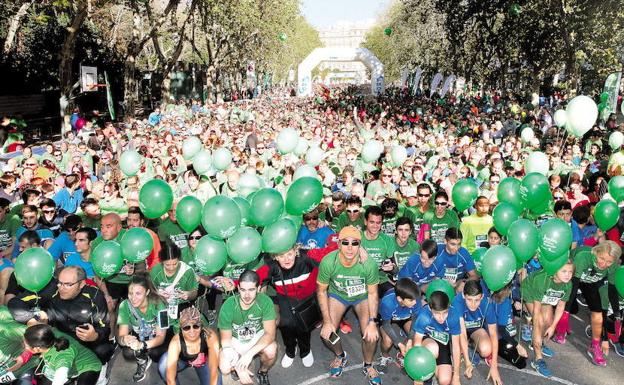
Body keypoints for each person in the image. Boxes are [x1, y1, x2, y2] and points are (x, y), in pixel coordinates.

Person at [316, 226, 382, 385]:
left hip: (362, 297)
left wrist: (373, 322)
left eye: (355, 243)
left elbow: (373, 294)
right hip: (338, 296)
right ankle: (340, 355)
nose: (350, 248)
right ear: (338, 244)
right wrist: (326, 321)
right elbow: (321, 292)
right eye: (345, 243)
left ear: (361, 245)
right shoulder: (328, 262)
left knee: (371, 335)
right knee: (327, 334)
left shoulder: (369, 264)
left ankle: (368, 364)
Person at [554, 241, 621, 366]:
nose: (604, 264)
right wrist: (565, 313)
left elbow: (611, 292)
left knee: (598, 313)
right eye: (601, 258)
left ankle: (594, 346)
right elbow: (574, 285)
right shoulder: (584, 256)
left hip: (590, 282)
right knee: (567, 306)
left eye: (609, 262)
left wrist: (617, 315)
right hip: (572, 278)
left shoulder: (612, 266)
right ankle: (559, 325)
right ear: (596, 252)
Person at [218, 269, 277, 385]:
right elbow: (226, 341)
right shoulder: (228, 306)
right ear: (238, 288)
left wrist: (249, 355)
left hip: (257, 336)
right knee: (224, 367)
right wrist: (238, 367)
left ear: (259, 289)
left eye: (251, 290)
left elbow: (270, 334)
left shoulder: (265, 302)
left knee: (271, 350)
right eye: (243, 290)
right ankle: (236, 368)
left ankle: (263, 372)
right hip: (236, 340)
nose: (247, 295)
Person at [521, 259, 574, 378]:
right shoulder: (542, 279)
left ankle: (537, 342)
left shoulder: (568, 284)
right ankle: (538, 359)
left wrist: (553, 326)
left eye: (570, 271)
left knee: (549, 322)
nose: (568, 275)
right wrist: (536, 326)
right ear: (555, 271)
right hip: (531, 292)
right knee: (539, 322)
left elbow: (561, 306)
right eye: (564, 271)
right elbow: (536, 309)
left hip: (547, 296)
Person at [117, 273, 170, 382]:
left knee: (156, 354)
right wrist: (124, 339)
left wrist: (142, 345)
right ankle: (143, 361)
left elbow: (161, 337)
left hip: (158, 336)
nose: (133, 298)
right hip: (141, 335)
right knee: (128, 352)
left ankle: (149, 354)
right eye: (130, 293)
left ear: (147, 292)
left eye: (138, 293)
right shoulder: (124, 305)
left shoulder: (160, 304)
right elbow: (121, 335)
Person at [9, 323, 101, 385]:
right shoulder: (47, 334)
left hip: (88, 366)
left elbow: (60, 376)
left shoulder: (62, 356)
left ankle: (100, 379)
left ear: (37, 348)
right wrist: (23, 357)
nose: (24, 347)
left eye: (26, 346)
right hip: (70, 368)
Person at [408, 290, 464, 385]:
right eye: (437, 313)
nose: (441, 317)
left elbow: (455, 347)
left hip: (442, 341)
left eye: (444, 313)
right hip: (427, 342)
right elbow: (417, 343)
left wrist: (456, 376)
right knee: (433, 348)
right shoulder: (424, 315)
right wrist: (418, 374)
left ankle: (435, 371)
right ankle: (427, 377)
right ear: (430, 308)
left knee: (445, 381)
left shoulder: (454, 315)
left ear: (448, 307)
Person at [453, 279, 502, 384]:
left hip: (475, 329)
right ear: (463, 296)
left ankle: (471, 344)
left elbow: (494, 334)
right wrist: (467, 363)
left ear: (482, 297)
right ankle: (466, 350)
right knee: (457, 345)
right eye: (469, 300)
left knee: (486, 350)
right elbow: (462, 334)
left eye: (477, 300)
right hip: (459, 331)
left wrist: (494, 366)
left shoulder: (487, 304)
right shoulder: (457, 302)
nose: (473, 304)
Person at [159, 307, 221, 385]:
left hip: (203, 362)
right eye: (186, 327)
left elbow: (213, 370)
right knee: (164, 364)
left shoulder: (209, 336)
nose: (192, 331)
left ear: (201, 326)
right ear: (181, 329)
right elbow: (170, 379)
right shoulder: (176, 342)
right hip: (182, 361)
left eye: (196, 326)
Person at [377, 278, 421, 374]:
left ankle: (402, 355)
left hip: (405, 317)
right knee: (388, 341)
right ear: (400, 299)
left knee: (416, 335)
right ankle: (384, 356)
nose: (414, 302)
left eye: (415, 300)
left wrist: (409, 339)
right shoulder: (387, 303)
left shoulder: (415, 299)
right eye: (411, 300)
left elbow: (415, 320)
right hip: (389, 318)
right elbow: (386, 324)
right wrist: (398, 343)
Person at [150, 243, 199, 325]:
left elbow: (194, 293)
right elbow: (149, 291)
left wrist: (188, 294)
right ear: (162, 262)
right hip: (162, 306)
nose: (171, 268)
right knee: (164, 329)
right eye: (167, 265)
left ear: (179, 259)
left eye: (175, 264)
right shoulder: (156, 271)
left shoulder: (187, 271)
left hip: (182, 306)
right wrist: (157, 293)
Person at [361, 206, 396, 298]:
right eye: (372, 222)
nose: (375, 226)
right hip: (362, 281)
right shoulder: (357, 238)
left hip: (381, 280)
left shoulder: (387, 240)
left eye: (378, 223)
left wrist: (391, 268)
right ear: (365, 221)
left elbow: (394, 268)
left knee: (394, 297)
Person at [491, 283, 528, 369]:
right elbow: (502, 331)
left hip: (496, 332)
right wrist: (517, 346)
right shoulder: (505, 303)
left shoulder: (498, 297)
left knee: (521, 356)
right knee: (520, 362)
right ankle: (492, 350)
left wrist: (514, 304)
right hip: (498, 336)